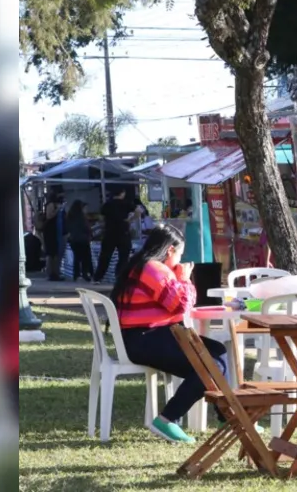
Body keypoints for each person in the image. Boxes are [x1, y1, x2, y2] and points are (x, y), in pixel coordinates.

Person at [110, 225, 227, 444]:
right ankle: (167, 419)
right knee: (210, 367)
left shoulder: (141, 264)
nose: (180, 260)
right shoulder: (154, 269)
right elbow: (181, 305)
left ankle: (226, 415)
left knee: (218, 352)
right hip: (146, 340)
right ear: (170, 251)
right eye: (180, 254)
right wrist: (184, 278)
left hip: (149, 337)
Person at [94, 189, 139, 283]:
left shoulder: (107, 204)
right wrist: (130, 220)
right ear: (122, 193)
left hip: (109, 232)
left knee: (105, 256)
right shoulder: (126, 203)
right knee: (123, 256)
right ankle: (119, 276)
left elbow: (101, 217)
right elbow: (139, 211)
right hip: (123, 232)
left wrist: (105, 223)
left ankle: (98, 277)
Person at [66, 200, 94, 282]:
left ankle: (76, 274)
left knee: (77, 258)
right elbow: (86, 228)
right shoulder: (82, 217)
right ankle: (86, 274)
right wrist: (90, 233)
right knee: (86, 257)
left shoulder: (70, 216)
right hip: (83, 239)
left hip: (73, 240)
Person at [42, 192, 66, 281]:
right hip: (51, 231)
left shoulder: (52, 204)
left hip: (53, 231)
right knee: (52, 253)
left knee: (53, 253)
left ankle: (54, 273)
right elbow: (49, 216)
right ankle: (52, 273)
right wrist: (57, 210)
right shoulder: (51, 204)